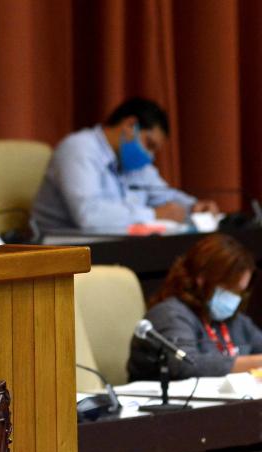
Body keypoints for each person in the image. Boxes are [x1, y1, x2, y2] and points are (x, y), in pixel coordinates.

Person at [32, 97, 218, 232]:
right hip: (61, 250)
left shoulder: (132, 161)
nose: (149, 156)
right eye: (149, 144)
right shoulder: (79, 148)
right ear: (130, 125)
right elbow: (88, 216)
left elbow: (162, 195)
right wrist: (153, 215)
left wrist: (192, 208)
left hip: (111, 245)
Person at [127, 234, 262, 381]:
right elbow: (185, 365)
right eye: (230, 288)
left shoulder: (236, 321)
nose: (234, 298)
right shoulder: (169, 314)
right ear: (202, 279)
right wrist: (255, 362)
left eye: (240, 291)